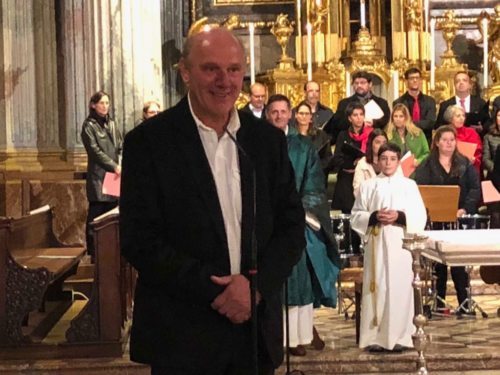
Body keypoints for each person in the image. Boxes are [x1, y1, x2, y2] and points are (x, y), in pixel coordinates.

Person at [120, 27, 306, 375]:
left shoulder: (266, 142)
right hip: (183, 333)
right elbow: (139, 240)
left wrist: (255, 289)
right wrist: (218, 290)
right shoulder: (149, 143)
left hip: (254, 335)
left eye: (234, 69)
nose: (225, 81)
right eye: (211, 69)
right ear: (185, 73)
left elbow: (291, 226)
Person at [265, 94, 340, 357]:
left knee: (297, 281)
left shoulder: (303, 147)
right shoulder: (256, 143)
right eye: (273, 111)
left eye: (283, 111)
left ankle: (296, 338)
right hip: (264, 225)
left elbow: (314, 185)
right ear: (266, 114)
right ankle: (271, 337)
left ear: (290, 114)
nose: (278, 116)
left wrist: (296, 212)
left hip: (295, 223)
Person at [351, 143, 427, 352]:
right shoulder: (368, 186)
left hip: (400, 246)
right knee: (379, 289)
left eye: (392, 158)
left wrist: (399, 216)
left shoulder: (409, 185)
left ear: (398, 160)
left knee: (400, 289)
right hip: (376, 244)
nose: (388, 163)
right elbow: (356, 215)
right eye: (384, 158)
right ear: (378, 160)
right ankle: (376, 337)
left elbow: (420, 216)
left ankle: (402, 336)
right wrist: (374, 216)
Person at [414, 126, 481, 314]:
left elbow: (475, 189)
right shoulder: (427, 165)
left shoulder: (465, 164)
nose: (449, 143)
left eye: (452, 140)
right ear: (436, 142)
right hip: (434, 222)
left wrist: (464, 209)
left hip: (458, 221)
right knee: (438, 265)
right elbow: (420, 190)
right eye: (445, 140)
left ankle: (464, 304)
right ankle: (438, 303)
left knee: (459, 265)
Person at [81, 90, 122, 259]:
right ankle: (94, 251)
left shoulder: (111, 123)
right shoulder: (88, 126)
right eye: (101, 103)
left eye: (107, 103)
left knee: (111, 211)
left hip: (113, 175)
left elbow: (119, 144)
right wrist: (113, 165)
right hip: (99, 176)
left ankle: (110, 249)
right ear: (93, 105)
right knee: (97, 213)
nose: (105, 106)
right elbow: (94, 151)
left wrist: (120, 161)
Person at [324, 70, 390, 144]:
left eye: (362, 83)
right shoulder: (344, 103)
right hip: (351, 142)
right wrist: (358, 122)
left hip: (374, 141)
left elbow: (385, 120)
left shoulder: (381, 102)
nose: (359, 85)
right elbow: (339, 123)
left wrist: (373, 122)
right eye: (356, 83)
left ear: (370, 84)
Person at [331, 102, 373, 213]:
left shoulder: (371, 134)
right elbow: (336, 159)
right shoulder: (343, 135)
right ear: (350, 118)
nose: (359, 118)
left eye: (361, 114)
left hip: (365, 177)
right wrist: (353, 163)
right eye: (355, 115)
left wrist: (362, 162)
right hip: (346, 179)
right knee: (347, 213)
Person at [393, 67, 436, 145]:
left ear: (421, 81)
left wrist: (409, 124)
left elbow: (430, 123)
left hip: (426, 141)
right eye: (412, 78)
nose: (415, 80)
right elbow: (399, 123)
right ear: (406, 82)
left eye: (417, 78)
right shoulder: (398, 102)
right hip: (405, 141)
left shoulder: (430, 101)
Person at [294, 100, 333, 179]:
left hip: (316, 176)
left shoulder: (321, 135)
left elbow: (328, 158)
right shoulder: (291, 135)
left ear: (311, 116)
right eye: (301, 113)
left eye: (307, 114)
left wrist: (315, 168)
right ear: (296, 115)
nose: (304, 116)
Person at [386, 103, 430, 168]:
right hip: (395, 171)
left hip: (416, 171)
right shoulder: (388, 135)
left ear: (406, 118)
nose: (398, 119)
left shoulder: (418, 133)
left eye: (401, 116)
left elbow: (426, 153)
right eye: (395, 116)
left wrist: (418, 161)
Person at [444, 105, 483, 175]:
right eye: (458, 116)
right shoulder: (444, 133)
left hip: (469, 168)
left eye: (463, 115)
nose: (462, 118)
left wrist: (474, 160)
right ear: (450, 118)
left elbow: (479, 153)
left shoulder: (472, 133)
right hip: (448, 168)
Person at [353, 128, 388, 197]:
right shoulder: (362, 164)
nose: (381, 146)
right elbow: (357, 192)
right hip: (369, 205)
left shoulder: (393, 162)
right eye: (378, 142)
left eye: (384, 143)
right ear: (371, 144)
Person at [483, 107, 500, 228]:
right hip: (494, 178)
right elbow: (485, 159)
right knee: (495, 215)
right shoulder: (489, 137)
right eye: (499, 116)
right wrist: (497, 169)